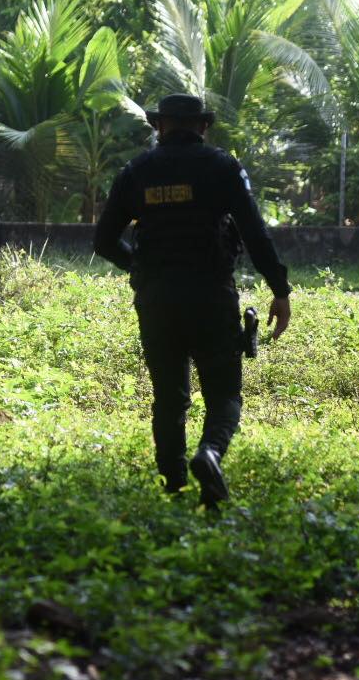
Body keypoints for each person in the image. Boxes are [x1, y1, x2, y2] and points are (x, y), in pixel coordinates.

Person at [92, 93, 291, 508]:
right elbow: (255, 233)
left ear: (159, 126)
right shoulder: (222, 167)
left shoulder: (136, 171)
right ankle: (211, 454)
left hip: (157, 299)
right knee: (224, 396)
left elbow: (103, 240)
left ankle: (173, 485)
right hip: (211, 297)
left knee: (169, 397)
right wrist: (279, 289)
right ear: (202, 126)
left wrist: (141, 269)